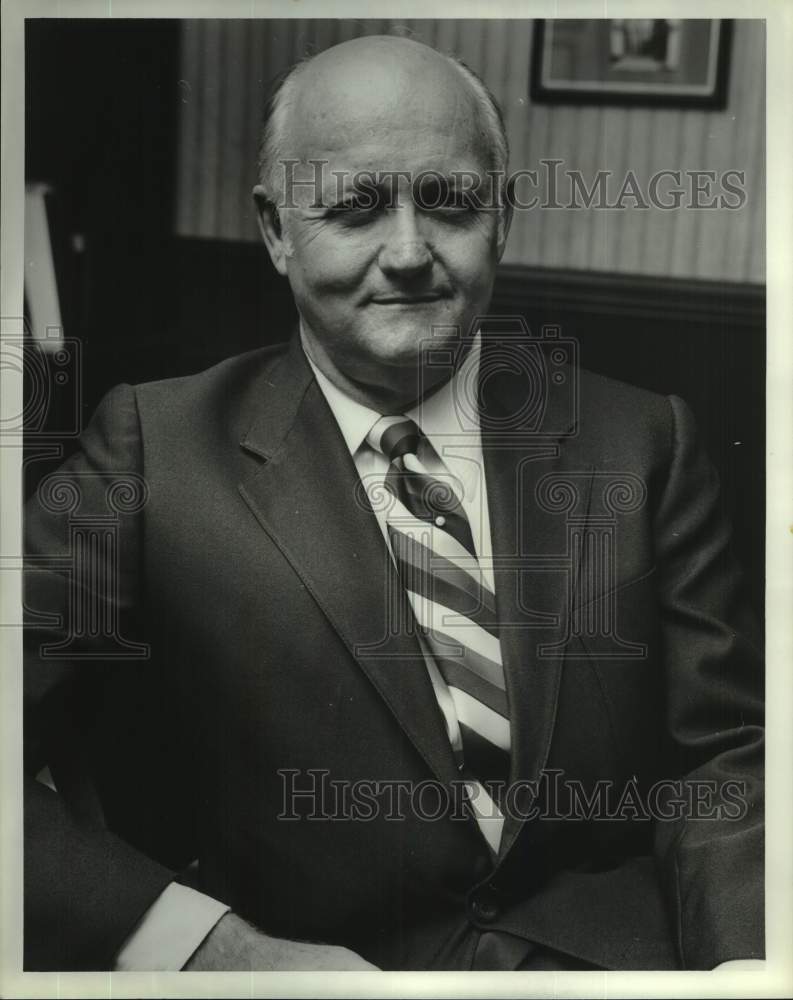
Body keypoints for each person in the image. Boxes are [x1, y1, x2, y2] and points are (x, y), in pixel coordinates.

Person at [23, 34, 763, 972]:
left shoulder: (644, 441)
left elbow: (728, 754)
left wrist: (747, 967)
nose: (408, 251)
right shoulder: (152, 446)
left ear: (500, 218)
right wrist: (210, 950)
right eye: (356, 206)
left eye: (448, 202)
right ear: (276, 229)